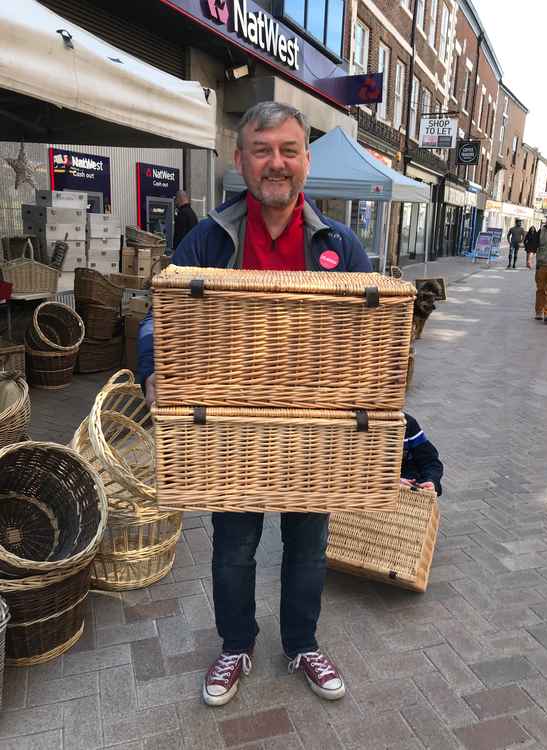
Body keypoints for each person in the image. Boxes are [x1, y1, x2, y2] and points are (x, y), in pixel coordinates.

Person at [138, 102, 372, 706]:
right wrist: (153, 366)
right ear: (240, 161)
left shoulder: (339, 245)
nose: (276, 163)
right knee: (235, 547)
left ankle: (302, 644)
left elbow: (374, 330)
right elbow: (158, 311)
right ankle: (236, 644)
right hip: (230, 427)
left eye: (288, 151)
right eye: (262, 150)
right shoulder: (210, 237)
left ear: (306, 161)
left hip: (314, 428)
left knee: (309, 545)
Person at [400, 413, 443, 496]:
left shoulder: (407, 422)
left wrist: (431, 481)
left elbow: (430, 462)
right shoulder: (367, 428)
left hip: (411, 499)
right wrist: (391, 484)